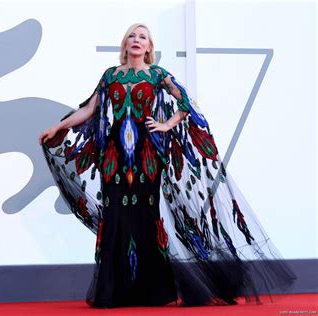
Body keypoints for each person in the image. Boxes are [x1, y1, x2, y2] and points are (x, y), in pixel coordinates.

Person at [39, 23, 296, 308]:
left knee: (146, 217)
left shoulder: (158, 75)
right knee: (114, 217)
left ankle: (153, 292)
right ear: (125, 45)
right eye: (132, 37)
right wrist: (57, 127)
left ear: (149, 48)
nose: (137, 41)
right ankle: (113, 292)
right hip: (114, 157)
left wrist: (165, 125)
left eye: (143, 38)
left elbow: (187, 103)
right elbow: (89, 109)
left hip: (146, 155)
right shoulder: (110, 75)